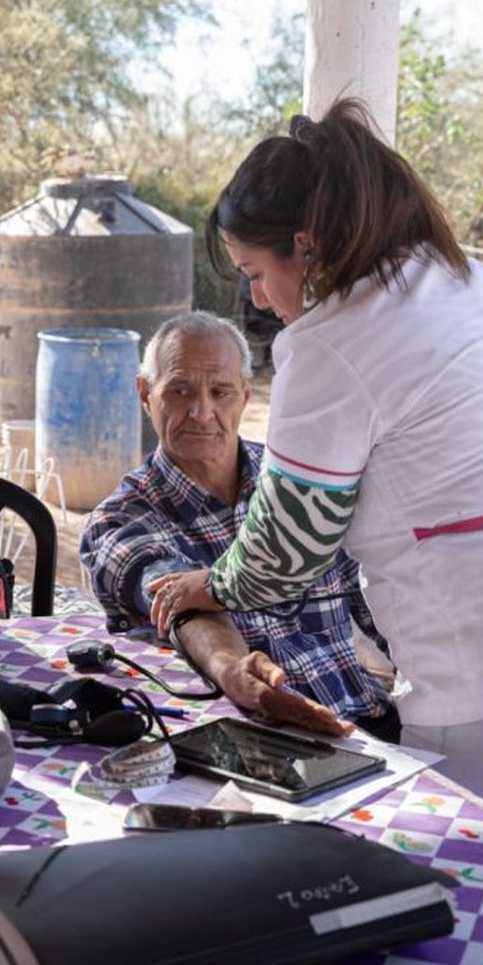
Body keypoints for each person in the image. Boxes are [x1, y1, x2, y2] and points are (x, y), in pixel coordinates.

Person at [151, 100, 483, 884]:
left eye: (256, 275)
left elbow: (285, 556)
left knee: (443, 919)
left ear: (304, 248)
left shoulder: (333, 338)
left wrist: (209, 581)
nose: (262, 300)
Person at [80, 311, 397, 741]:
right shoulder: (120, 519)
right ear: (145, 393)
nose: (201, 411)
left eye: (221, 391)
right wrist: (232, 670)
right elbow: (178, 599)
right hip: (251, 744)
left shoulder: (302, 485)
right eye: (179, 390)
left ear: (246, 395)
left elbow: (379, 598)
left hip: (367, 723)